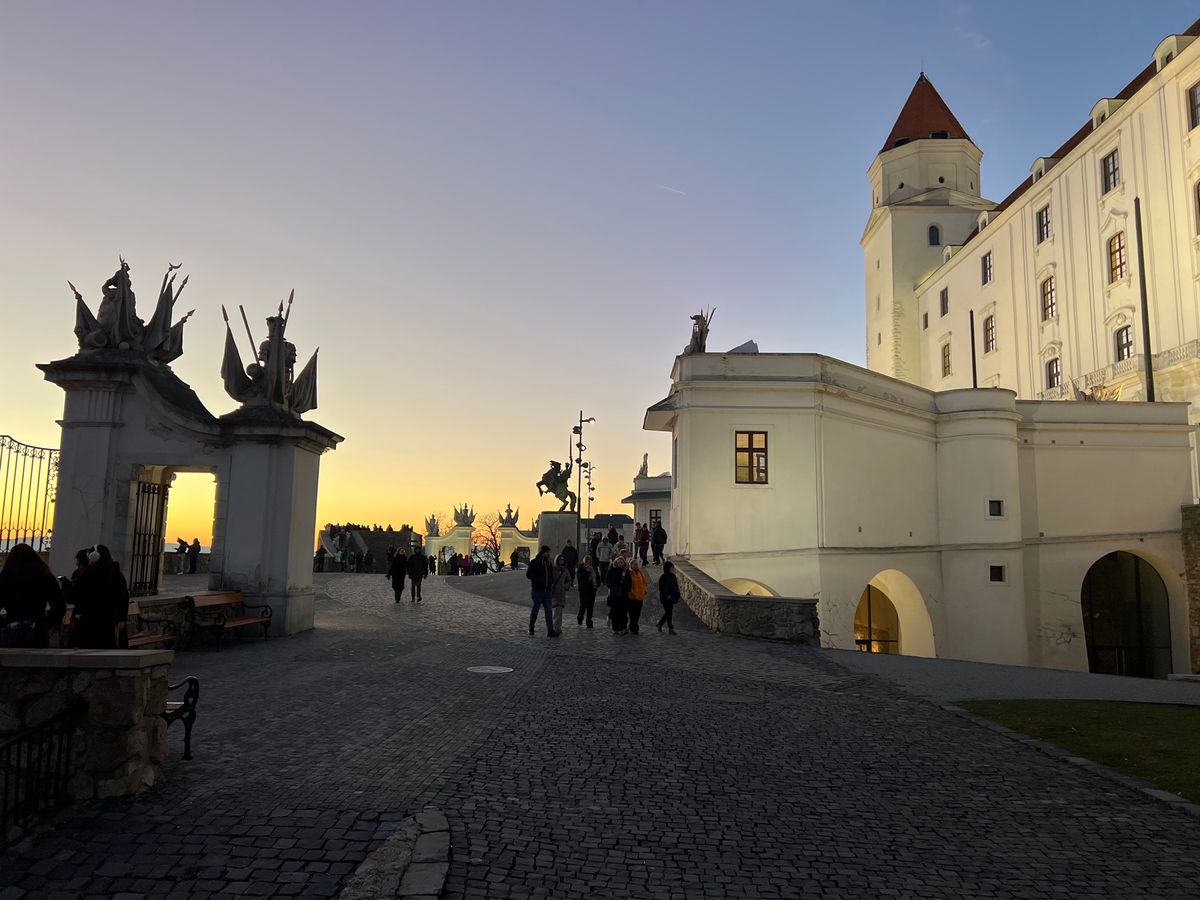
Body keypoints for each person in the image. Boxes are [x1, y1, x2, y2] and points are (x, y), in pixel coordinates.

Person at [0, 543, 65, 648]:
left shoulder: (6, 578)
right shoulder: (45, 576)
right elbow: (59, 607)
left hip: (11, 630)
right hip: (37, 633)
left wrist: (4, 625)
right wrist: (44, 625)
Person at [70, 544, 129, 649]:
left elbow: (74, 596)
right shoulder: (116, 574)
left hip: (88, 623)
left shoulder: (88, 575)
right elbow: (123, 598)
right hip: (109, 623)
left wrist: (66, 586)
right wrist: (121, 618)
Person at [526, 546, 558, 637]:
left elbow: (550, 575)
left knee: (549, 611)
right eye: (547, 552)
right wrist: (538, 580)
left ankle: (550, 630)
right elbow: (528, 575)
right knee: (535, 610)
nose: (548, 554)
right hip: (537, 591)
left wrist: (550, 583)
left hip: (547, 591)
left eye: (549, 552)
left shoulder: (548, 563)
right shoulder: (535, 562)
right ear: (543, 552)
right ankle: (531, 627)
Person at [606, 555, 632, 634]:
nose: (620, 563)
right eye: (619, 562)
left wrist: (626, 588)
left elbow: (629, 582)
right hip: (614, 594)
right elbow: (607, 579)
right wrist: (612, 586)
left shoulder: (626, 571)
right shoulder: (613, 570)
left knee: (623, 612)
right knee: (615, 612)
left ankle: (623, 627)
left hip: (623, 594)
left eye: (622, 562)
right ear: (616, 563)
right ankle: (615, 628)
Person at [657, 560, 681, 634]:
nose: (673, 569)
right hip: (666, 598)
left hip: (672, 597)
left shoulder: (673, 576)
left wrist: (677, 594)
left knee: (668, 613)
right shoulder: (663, 577)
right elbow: (662, 588)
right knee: (668, 613)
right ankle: (670, 628)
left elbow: (675, 586)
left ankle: (660, 624)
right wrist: (667, 595)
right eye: (672, 568)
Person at [576, 555, 598, 628]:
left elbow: (597, 577)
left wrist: (597, 583)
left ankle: (589, 621)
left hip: (592, 589)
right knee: (583, 605)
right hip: (584, 589)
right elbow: (580, 577)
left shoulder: (593, 568)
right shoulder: (581, 568)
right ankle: (580, 616)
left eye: (589, 560)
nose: (588, 562)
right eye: (587, 560)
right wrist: (587, 571)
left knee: (590, 606)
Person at [627, 557, 648, 634]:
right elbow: (628, 584)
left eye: (637, 564)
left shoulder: (640, 573)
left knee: (637, 613)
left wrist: (645, 590)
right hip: (632, 597)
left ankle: (632, 626)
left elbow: (644, 582)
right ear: (631, 565)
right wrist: (631, 592)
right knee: (632, 614)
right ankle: (634, 628)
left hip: (640, 596)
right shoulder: (629, 573)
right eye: (634, 564)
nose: (636, 566)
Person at [551, 554, 570, 633]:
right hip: (555, 593)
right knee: (556, 611)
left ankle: (558, 627)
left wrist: (565, 586)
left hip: (562, 593)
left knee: (559, 611)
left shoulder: (565, 570)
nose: (561, 561)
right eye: (560, 560)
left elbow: (569, 580)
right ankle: (556, 627)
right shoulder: (553, 569)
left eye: (562, 560)